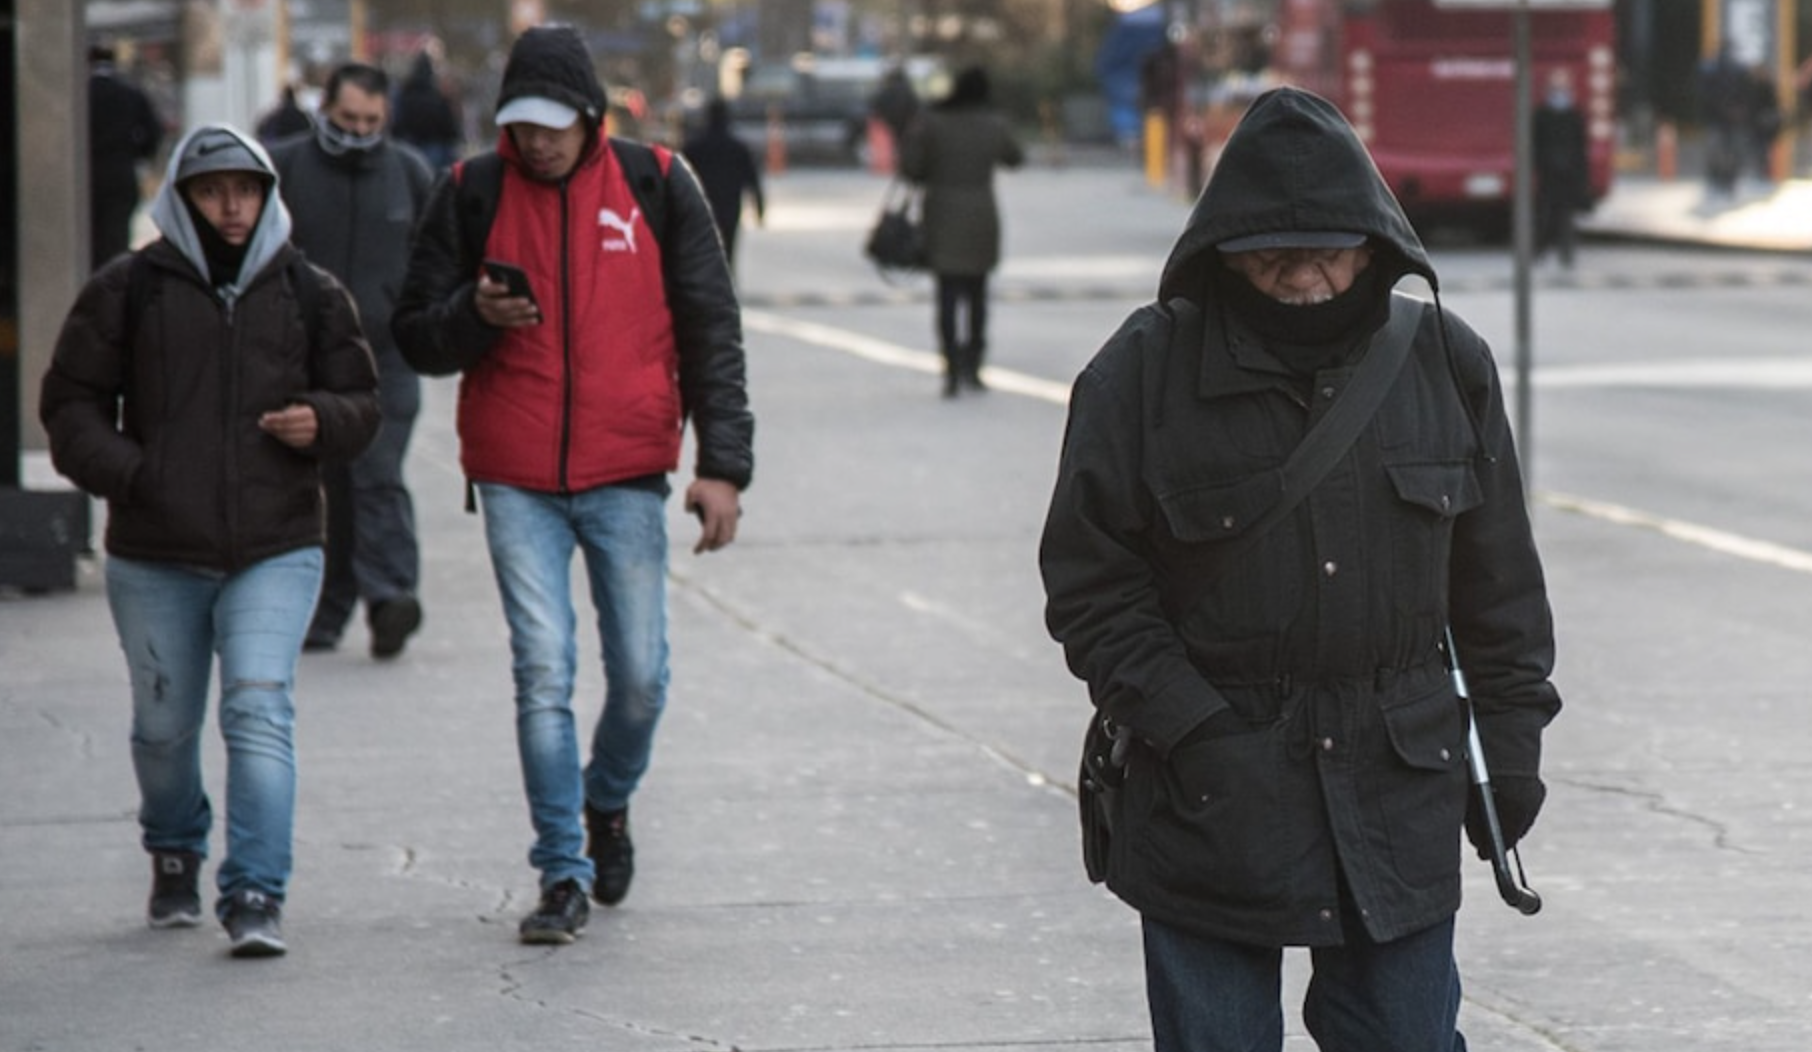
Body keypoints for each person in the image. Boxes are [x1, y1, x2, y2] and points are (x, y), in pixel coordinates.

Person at [1038, 87, 1561, 1052]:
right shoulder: (1140, 377)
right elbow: (1089, 584)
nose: (1304, 276)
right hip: (1211, 790)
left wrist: (1513, 738)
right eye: (1274, 254)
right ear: (1225, 248)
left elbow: (1498, 588)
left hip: (1396, 786)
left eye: (1327, 249)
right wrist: (1191, 729)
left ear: (1374, 241)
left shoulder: (1447, 363)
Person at [392, 24, 754, 946]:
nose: (538, 140)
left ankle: (606, 802)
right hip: (514, 476)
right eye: (522, 123)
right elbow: (416, 336)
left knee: (639, 676)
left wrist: (722, 467)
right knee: (542, 670)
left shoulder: (658, 185)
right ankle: (561, 870)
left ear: (591, 116)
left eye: (554, 123)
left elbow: (712, 330)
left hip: (628, 469)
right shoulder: (470, 191)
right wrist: (475, 315)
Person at [39, 123, 379, 957]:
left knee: (259, 709)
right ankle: (174, 848)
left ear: (268, 195)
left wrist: (322, 421)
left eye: (248, 189)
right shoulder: (129, 290)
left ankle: (256, 889)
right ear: (181, 198)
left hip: (278, 543)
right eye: (213, 190)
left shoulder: (310, 291)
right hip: (155, 551)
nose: (233, 207)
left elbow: (363, 401)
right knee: (164, 728)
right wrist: (134, 472)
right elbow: (69, 406)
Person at [270, 62, 436, 659]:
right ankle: (326, 611)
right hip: (306, 359)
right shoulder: (284, 168)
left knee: (376, 473)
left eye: (371, 121)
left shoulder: (409, 173)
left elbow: (433, 261)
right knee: (328, 484)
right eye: (347, 119)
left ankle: (392, 596)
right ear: (325, 110)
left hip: (387, 358)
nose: (359, 130)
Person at [900, 65, 1024, 398]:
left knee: (947, 295)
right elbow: (1014, 157)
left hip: (940, 213)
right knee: (978, 293)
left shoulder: (933, 122)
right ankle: (974, 362)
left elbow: (911, 168)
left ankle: (951, 367)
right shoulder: (993, 124)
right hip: (981, 214)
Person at [87, 44, 164, 271]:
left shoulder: (80, 94)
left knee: (88, 236)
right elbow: (154, 133)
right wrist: (136, 154)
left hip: (86, 176)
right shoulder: (131, 93)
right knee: (116, 237)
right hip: (121, 174)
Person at [681, 97, 765, 273]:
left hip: (701, 208)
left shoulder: (694, 149)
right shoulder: (737, 148)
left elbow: (679, 180)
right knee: (728, 250)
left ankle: (705, 286)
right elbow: (752, 179)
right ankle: (725, 286)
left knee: (702, 251)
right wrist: (759, 207)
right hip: (730, 207)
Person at [1532, 68, 1588, 268]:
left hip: (1568, 174)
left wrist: (1581, 176)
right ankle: (1540, 250)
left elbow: (1581, 147)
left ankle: (1566, 254)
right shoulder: (1542, 114)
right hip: (1549, 173)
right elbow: (1535, 144)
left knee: (1566, 217)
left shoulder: (1574, 114)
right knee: (1545, 216)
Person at [392, 50, 464, 170]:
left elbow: (397, 121)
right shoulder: (438, 97)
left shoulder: (403, 95)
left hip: (409, 143)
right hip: (434, 146)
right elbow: (448, 124)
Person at [869, 65, 920, 164]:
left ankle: (893, 160)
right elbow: (916, 106)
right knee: (904, 142)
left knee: (893, 141)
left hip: (891, 121)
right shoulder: (908, 90)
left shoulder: (887, 89)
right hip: (906, 122)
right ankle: (903, 160)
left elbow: (876, 104)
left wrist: (881, 117)